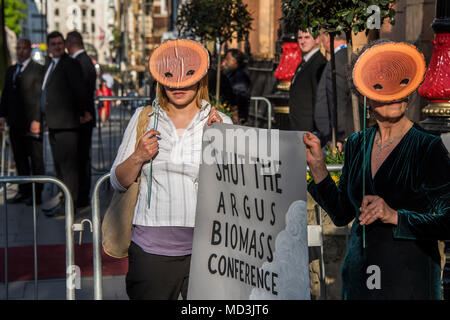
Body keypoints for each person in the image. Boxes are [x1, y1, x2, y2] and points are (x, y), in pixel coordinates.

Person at [304, 40, 450, 299]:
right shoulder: (357, 144)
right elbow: (341, 213)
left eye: (400, 82)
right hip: (360, 282)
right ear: (364, 95)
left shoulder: (428, 148)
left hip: (409, 284)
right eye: (381, 83)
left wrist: (395, 216)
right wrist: (317, 166)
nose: (394, 93)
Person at [110, 39, 232, 300]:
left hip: (208, 251)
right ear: (159, 78)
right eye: (169, 75)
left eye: (188, 75)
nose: (178, 84)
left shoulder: (221, 122)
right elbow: (117, 181)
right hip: (151, 253)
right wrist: (139, 156)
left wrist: (220, 140)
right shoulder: (144, 118)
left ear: (200, 78)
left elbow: (234, 189)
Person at [41, 31, 86, 217]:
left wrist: (83, 112)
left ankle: (70, 206)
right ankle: (63, 200)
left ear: (64, 44)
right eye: (53, 44)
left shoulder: (71, 64)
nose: (57, 46)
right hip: (53, 124)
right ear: (49, 46)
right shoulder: (50, 64)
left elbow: (80, 90)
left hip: (67, 124)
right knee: (60, 167)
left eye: (60, 43)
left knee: (69, 169)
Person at [0, 38, 45, 205]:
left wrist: (37, 119)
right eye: (17, 48)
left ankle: (37, 193)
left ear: (29, 50)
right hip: (15, 123)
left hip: (32, 123)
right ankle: (24, 190)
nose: (20, 51)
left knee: (36, 159)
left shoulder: (37, 69)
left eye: (23, 48)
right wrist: (2, 115)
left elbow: (39, 97)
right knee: (20, 159)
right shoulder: (11, 70)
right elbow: (6, 95)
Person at [65, 30, 97, 209]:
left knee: (82, 158)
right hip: (82, 117)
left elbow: (82, 91)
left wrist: (83, 112)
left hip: (84, 118)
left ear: (70, 44)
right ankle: (79, 194)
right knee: (80, 158)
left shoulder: (81, 62)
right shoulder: (83, 61)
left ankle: (81, 196)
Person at [314, 31, 355, 149]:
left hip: (340, 137)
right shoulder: (348, 56)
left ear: (328, 37)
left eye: (321, 35)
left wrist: (338, 136)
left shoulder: (337, 61)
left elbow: (338, 100)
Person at [289, 30, 327, 132]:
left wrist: (317, 131)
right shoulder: (304, 62)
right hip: (298, 127)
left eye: (307, 37)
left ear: (317, 39)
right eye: (300, 38)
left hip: (309, 130)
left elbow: (320, 99)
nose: (302, 41)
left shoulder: (319, 63)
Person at [222, 49, 251, 124]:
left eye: (228, 59)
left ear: (235, 61)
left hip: (237, 114)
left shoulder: (239, 76)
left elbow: (240, 94)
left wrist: (234, 108)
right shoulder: (231, 74)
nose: (225, 62)